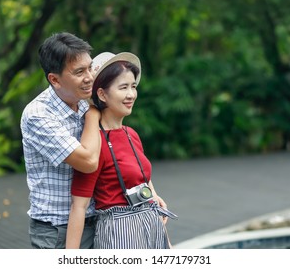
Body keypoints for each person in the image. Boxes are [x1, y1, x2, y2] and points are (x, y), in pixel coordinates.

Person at [66, 52, 177, 249]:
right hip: (119, 234)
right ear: (101, 94)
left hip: (151, 225)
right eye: (123, 87)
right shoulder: (94, 144)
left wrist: (167, 244)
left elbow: (143, 180)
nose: (131, 94)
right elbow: (79, 207)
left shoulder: (131, 134)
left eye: (133, 86)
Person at [20, 32, 101, 249]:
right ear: (54, 79)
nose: (90, 77)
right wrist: (94, 114)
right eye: (79, 72)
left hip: (96, 222)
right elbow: (88, 161)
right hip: (56, 231)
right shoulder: (39, 114)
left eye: (90, 67)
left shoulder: (86, 101)